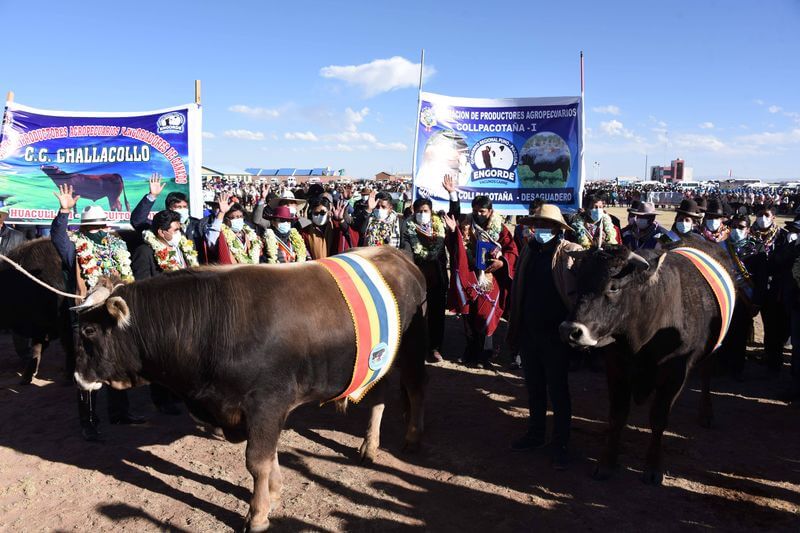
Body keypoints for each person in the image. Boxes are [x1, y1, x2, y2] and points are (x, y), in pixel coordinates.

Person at [50, 184, 143, 441]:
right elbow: (58, 238)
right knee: (87, 366)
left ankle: (119, 412)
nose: (99, 231)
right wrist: (63, 211)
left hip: (114, 314)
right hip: (89, 317)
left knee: (117, 360)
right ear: (84, 229)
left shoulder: (117, 245)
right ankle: (88, 422)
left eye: (101, 225)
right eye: (92, 227)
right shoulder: (75, 247)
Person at [506, 203, 581, 469]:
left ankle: (561, 443)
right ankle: (536, 434)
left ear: (559, 229)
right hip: (529, 331)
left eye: (548, 226)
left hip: (556, 335)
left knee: (558, 390)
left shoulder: (571, 253)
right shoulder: (529, 250)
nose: (542, 230)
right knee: (534, 387)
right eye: (538, 225)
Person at [442, 175, 518, 367]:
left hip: (492, 278)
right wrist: (452, 194)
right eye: (475, 210)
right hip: (470, 277)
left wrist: (502, 263)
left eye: (482, 211)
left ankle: (487, 351)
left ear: (490, 211)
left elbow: (511, 250)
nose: (479, 214)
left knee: (486, 314)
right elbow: (454, 225)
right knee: (469, 314)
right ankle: (471, 350)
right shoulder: (467, 225)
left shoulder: (500, 229)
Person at [131, 209, 198, 414]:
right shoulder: (145, 251)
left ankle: (178, 394)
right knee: (163, 358)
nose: (179, 232)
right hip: (161, 313)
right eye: (175, 229)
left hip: (186, 310)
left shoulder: (182, 247)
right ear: (161, 232)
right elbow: (142, 286)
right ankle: (161, 399)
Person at [720, 214, 767, 379]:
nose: (736, 230)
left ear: (747, 230)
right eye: (734, 226)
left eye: (741, 227)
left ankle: (736, 368)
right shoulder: (721, 246)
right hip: (724, 297)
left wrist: (757, 302)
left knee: (740, 335)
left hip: (744, 299)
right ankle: (721, 366)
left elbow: (761, 279)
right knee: (723, 333)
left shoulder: (757, 248)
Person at [402, 197, 448, 363]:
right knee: (417, 315)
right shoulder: (408, 227)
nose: (423, 214)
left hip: (437, 276)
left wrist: (453, 197)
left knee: (436, 314)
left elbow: (455, 218)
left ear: (431, 211)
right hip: (417, 277)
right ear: (414, 212)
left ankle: (435, 348)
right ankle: (417, 348)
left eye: (426, 211)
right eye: (419, 211)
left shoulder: (439, 225)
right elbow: (406, 250)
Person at [130, 173, 209, 263]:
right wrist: (152, 196)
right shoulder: (160, 226)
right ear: (169, 208)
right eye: (178, 207)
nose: (182, 210)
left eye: (185, 207)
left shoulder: (197, 225)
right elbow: (137, 221)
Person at [206, 194, 263, 264]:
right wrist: (222, 213)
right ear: (225, 219)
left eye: (240, 216)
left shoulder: (249, 233)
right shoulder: (221, 234)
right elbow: (211, 241)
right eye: (232, 218)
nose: (237, 219)